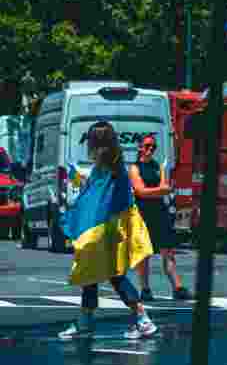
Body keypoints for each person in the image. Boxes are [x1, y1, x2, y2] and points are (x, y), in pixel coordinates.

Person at [59, 122, 158, 340]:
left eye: (90, 140)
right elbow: (98, 194)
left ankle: (142, 319)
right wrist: (81, 181)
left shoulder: (110, 168)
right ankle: (88, 320)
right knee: (97, 273)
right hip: (108, 228)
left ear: (96, 142)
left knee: (107, 273)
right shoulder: (111, 165)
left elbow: (100, 199)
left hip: (103, 228)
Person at [129, 135, 191, 301]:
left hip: (160, 212)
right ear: (140, 148)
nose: (151, 149)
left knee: (168, 251)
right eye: (147, 146)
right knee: (144, 253)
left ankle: (178, 287)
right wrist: (160, 190)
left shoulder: (158, 166)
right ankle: (145, 289)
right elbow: (141, 191)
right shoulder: (134, 168)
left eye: (153, 147)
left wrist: (157, 190)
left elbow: (163, 186)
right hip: (142, 213)